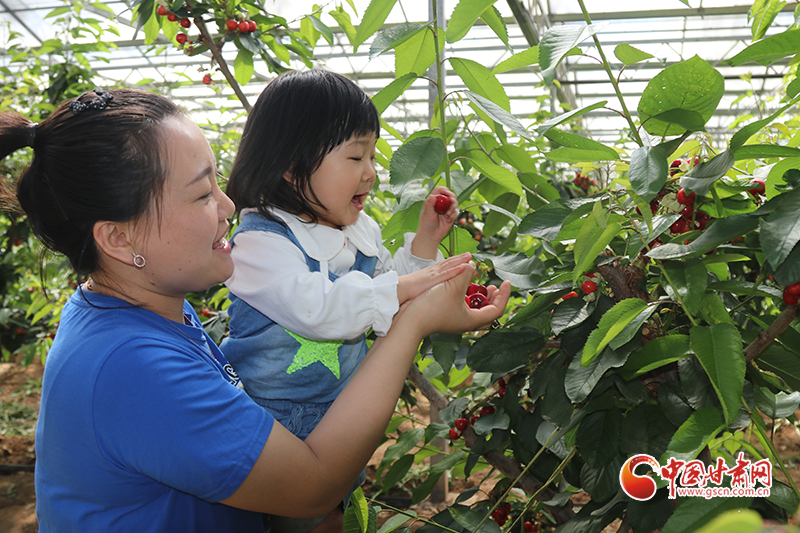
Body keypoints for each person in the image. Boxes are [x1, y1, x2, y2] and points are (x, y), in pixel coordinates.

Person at [0, 87, 510, 533]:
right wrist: (415, 321)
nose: (228, 207)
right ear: (118, 237)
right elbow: (310, 486)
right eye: (201, 194)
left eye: (217, 183)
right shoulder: (132, 366)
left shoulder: (140, 312)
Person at [221, 69, 461, 532]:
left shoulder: (359, 231)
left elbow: (389, 294)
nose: (370, 171)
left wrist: (425, 246)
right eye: (355, 156)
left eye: (372, 154)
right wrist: (407, 287)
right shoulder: (258, 243)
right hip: (275, 429)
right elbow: (321, 310)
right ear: (291, 166)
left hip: (342, 419)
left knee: (336, 513)